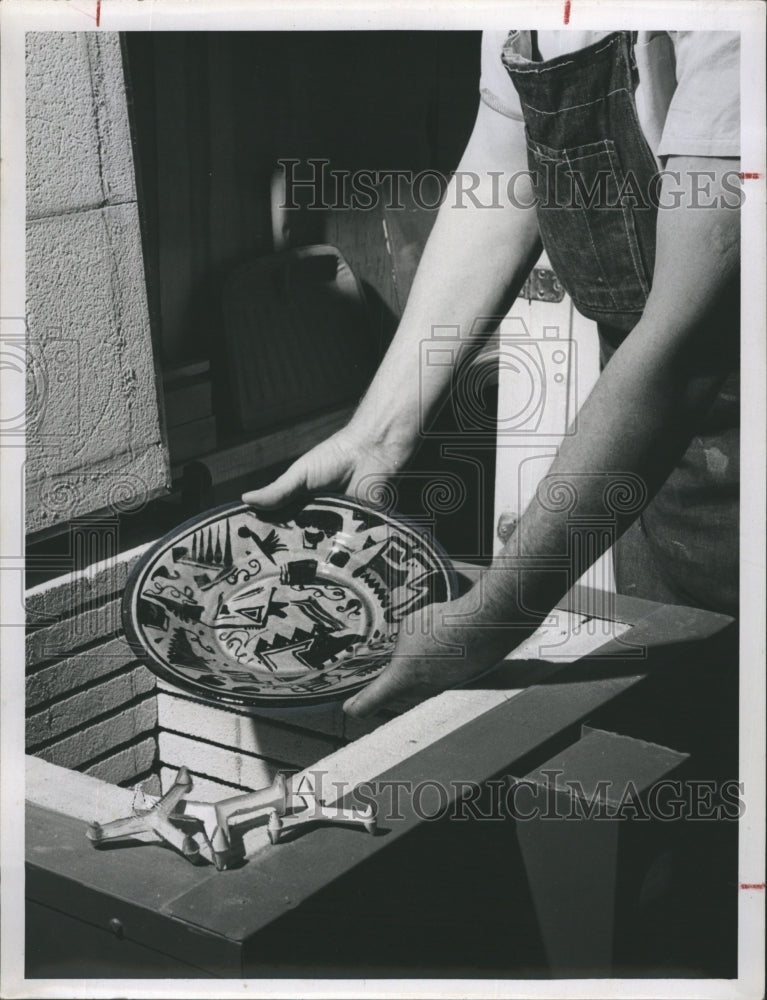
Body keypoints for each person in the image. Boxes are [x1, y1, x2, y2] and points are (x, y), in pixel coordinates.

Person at [243, 29, 741, 720]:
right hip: (656, 463)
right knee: (669, 736)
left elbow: (687, 343)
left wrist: (484, 624)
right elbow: (504, 176)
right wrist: (376, 433)